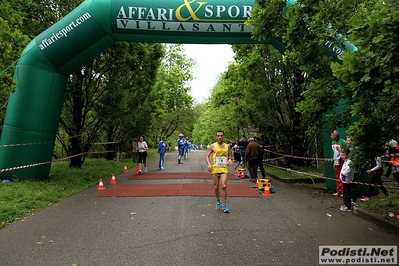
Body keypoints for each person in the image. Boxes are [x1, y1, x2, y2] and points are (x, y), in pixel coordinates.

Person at [205, 130, 233, 213]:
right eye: (218, 136)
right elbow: (207, 156)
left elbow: (229, 155)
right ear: (216, 137)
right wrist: (209, 164)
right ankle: (218, 201)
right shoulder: (213, 146)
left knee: (224, 186)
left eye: (221, 135)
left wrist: (230, 160)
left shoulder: (227, 146)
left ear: (223, 136)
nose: (220, 137)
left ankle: (224, 204)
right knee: (216, 187)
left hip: (224, 168)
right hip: (215, 169)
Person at [331, 130, 347, 196]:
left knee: (342, 175)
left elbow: (346, 151)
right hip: (336, 160)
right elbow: (333, 152)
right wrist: (334, 162)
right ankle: (339, 190)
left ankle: (343, 191)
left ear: (335, 135)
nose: (331, 136)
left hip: (342, 160)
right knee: (337, 176)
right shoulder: (332, 142)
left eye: (332, 135)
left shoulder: (343, 142)